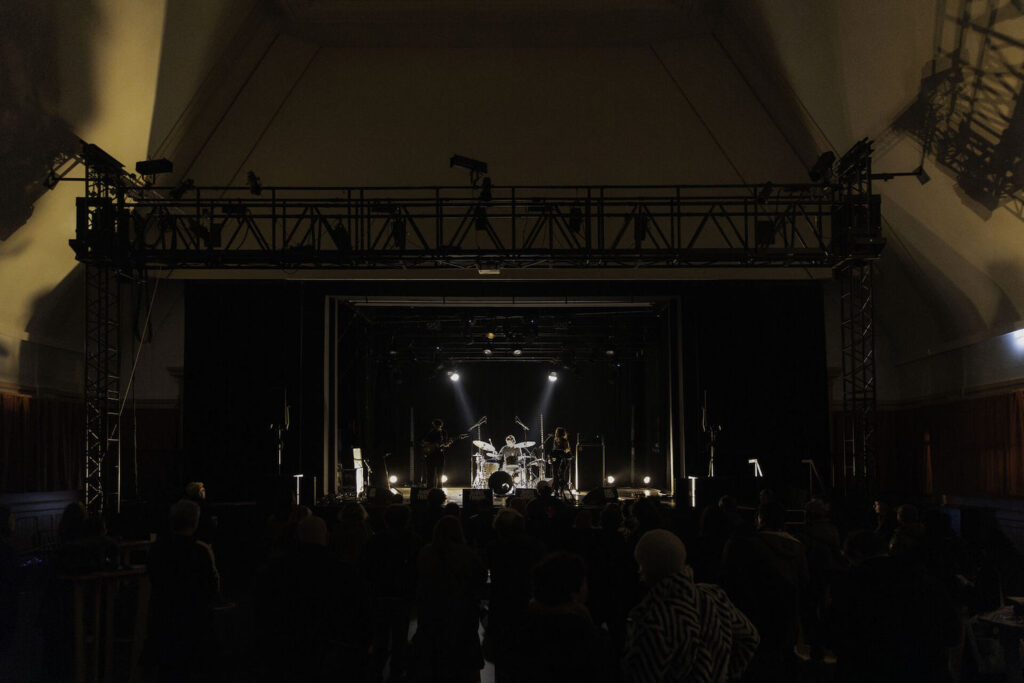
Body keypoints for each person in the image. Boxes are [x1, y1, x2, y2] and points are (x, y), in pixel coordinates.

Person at [623, 530, 758, 683]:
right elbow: (751, 637)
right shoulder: (714, 596)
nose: (639, 571)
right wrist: (727, 673)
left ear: (650, 568)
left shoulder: (653, 617)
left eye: (641, 565)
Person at [253, 514, 372, 682]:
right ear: (326, 536)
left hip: (289, 645)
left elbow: (263, 607)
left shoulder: (277, 569)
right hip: (332, 646)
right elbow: (359, 610)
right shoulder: (343, 571)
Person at [830, 530, 960, 682]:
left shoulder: (846, 585)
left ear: (854, 554)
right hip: (924, 670)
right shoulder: (924, 581)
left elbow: (834, 631)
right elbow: (952, 633)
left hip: (867, 670)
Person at [720, 501, 807, 681]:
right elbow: (805, 580)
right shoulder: (798, 547)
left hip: (760, 613)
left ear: (760, 519)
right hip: (789, 613)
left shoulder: (750, 546)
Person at [143, 499, 221, 681]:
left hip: (163, 622)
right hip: (195, 625)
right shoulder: (200, 552)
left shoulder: (157, 550)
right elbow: (211, 586)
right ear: (195, 522)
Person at [411, 515, 486, 683]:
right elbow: (479, 579)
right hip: (461, 612)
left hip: (431, 611)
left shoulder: (426, 552)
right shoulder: (467, 554)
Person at [364, 504, 421, 683]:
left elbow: (366, 568)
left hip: (380, 594)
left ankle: (376, 671)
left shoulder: (375, 540)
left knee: (380, 635)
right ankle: (396, 671)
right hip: (402, 596)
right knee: (400, 636)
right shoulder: (413, 540)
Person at [420, 419, 450, 488]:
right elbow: (423, 442)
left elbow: (445, 443)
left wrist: (447, 443)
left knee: (440, 474)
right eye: (436, 426)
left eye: (438, 426)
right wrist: (432, 445)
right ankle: (430, 489)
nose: (437, 427)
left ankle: (439, 490)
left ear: (441, 425)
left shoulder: (443, 432)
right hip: (431, 455)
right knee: (430, 474)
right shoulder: (430, 433)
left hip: (440, 454)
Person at [545, 428, 573, 497]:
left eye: (557, 432)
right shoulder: (555, 441)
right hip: (557, 460)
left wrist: (562, 452)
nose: (556, 433)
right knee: (556, 475)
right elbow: (554, 450)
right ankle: (556, 490)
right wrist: (551, 457)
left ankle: (560, 491)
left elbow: (567, 450)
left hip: (563, 460)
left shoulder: (565, 441)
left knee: (560, 475)